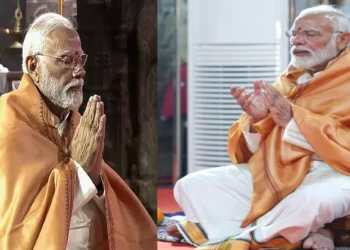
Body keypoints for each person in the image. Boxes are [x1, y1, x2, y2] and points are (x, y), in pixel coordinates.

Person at [167, 5, 350, 250]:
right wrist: (258, 120)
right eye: (294, 34)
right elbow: (255, 150)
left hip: (336, 173)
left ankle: (253, 237)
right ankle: (305, 231)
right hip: (280, 170)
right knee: (190, 186)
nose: (297, 41)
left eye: (310, 34)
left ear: (343, 39)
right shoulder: (291, 78)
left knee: (312, 201)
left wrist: (293, 121)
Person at [0, 13, 156, 250]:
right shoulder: (7, 122)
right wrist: (79, 171)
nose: (80, 71)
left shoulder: (77, 122)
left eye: (80, 59)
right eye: (66, 60)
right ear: (34, 66)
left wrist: (95, 179)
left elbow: (101, 202)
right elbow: (17, 230)